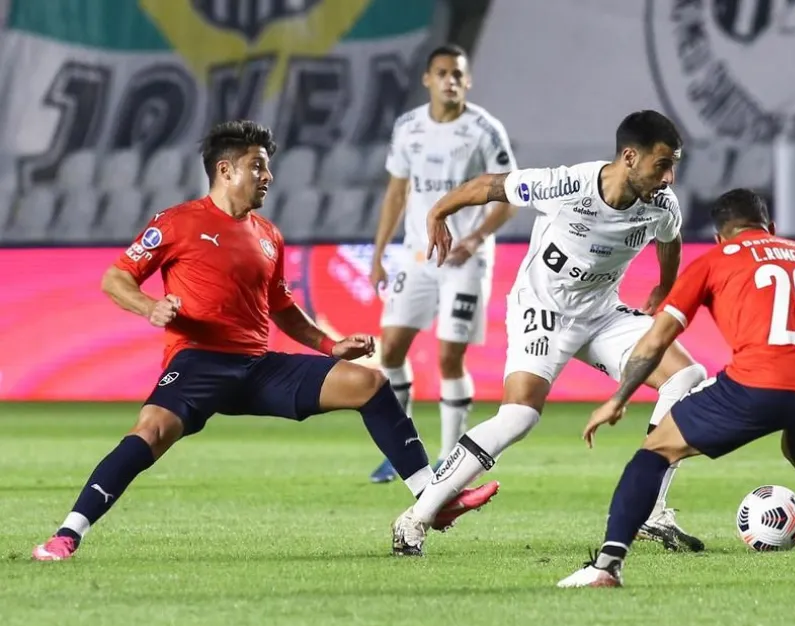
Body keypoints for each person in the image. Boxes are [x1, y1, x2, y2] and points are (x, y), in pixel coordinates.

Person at [31, 120, 497, 562]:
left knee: (371, 385)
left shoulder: (269, 236)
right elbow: (116, 278)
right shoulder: (176, 223)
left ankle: (433, 499)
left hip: (258, 368)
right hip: (198, 363)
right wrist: (150, 308)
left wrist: (329, 346)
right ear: (225, 170)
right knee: (149, 433)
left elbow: (282, 309)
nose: (267, 175)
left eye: (266, 166)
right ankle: (68, 533)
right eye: (257, 165)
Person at [557, 188, 795, 588]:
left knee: (656, 450)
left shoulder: (713, 260)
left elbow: (657, 338)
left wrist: (618, 398)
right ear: (772, 228)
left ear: (719, 236)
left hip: (754, 385)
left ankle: (607, 566)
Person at [390, 110, 707, 556]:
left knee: (687, 377)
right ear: (630, 157)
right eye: (662, 164)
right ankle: (416, 518)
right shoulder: (569, 185)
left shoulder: (661, 205)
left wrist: (664, 285)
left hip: (602, 314)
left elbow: (669, 239)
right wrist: (440, 210)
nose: (670, 177)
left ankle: (652, 509)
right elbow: (489, 186)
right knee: (519, 417)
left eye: (674, 165)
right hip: (542, 310)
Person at [367, 44, 517, 484]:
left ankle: (452, 457)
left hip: (463, 261)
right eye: (442, 73)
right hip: (416, 256)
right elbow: (396, 193)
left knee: (449, 356)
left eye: (457, 74)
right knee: (390, 350)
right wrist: (378, 254)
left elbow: (508, 195)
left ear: (467, 81)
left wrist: (474, 238)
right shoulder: (408, 127)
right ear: (427, 79)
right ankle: (403, 445)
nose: (450, 80)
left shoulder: (485, 130)